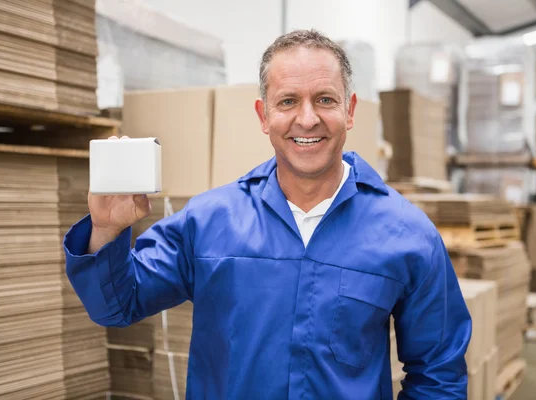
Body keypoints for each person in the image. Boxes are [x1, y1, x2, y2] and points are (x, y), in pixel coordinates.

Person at [64, 29, 471, 399]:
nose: (307, 118)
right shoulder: (209, 222)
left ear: (349, 111)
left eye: (325, 100)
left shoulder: (408, 234)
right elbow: (116, 306)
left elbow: (439, 375)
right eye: (288, 101)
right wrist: (106, 229)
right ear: (264, 116)